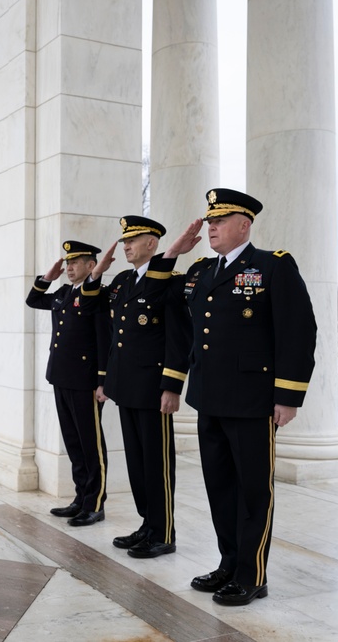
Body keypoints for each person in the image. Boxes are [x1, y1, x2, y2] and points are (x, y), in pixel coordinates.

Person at [164, 188, 317, 606]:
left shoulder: (272, 266)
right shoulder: (199, 271)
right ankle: (229, 564)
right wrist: (174, 251)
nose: (211, 227)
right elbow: (161, 299)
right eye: (209, 221)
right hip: (209, 398)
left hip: (252, 400)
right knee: (220, 488)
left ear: (244, 225)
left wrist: (288, 396)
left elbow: (298, 332)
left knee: (252, 492)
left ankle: (252, 575)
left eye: (220, 221)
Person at [91, 216, 192, 558]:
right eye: (124, 241)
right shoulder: (120, 281)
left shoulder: (170, 281)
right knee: (136, 462)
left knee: (157, 463)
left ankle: (163, 532)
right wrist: (97, 272)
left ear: (153, 243)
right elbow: (91, 309)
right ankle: (147, 525)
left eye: (133, 240)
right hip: (125, 387)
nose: (125, 246)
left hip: (153, 388)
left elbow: (179, 337)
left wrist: (172, 385)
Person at [26, 241, 110, 527]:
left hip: (85, 380)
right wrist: (47, 277)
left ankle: (94, 504)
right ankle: (80, 498)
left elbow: (103, 339)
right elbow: (34, 300)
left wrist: (102, 381)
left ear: (91, 265)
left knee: (91, 445)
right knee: (74, 442)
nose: (70, 267)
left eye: (76, 262)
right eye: (68, 263)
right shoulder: (62, 292)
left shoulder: (96, 295)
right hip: (61, 376)